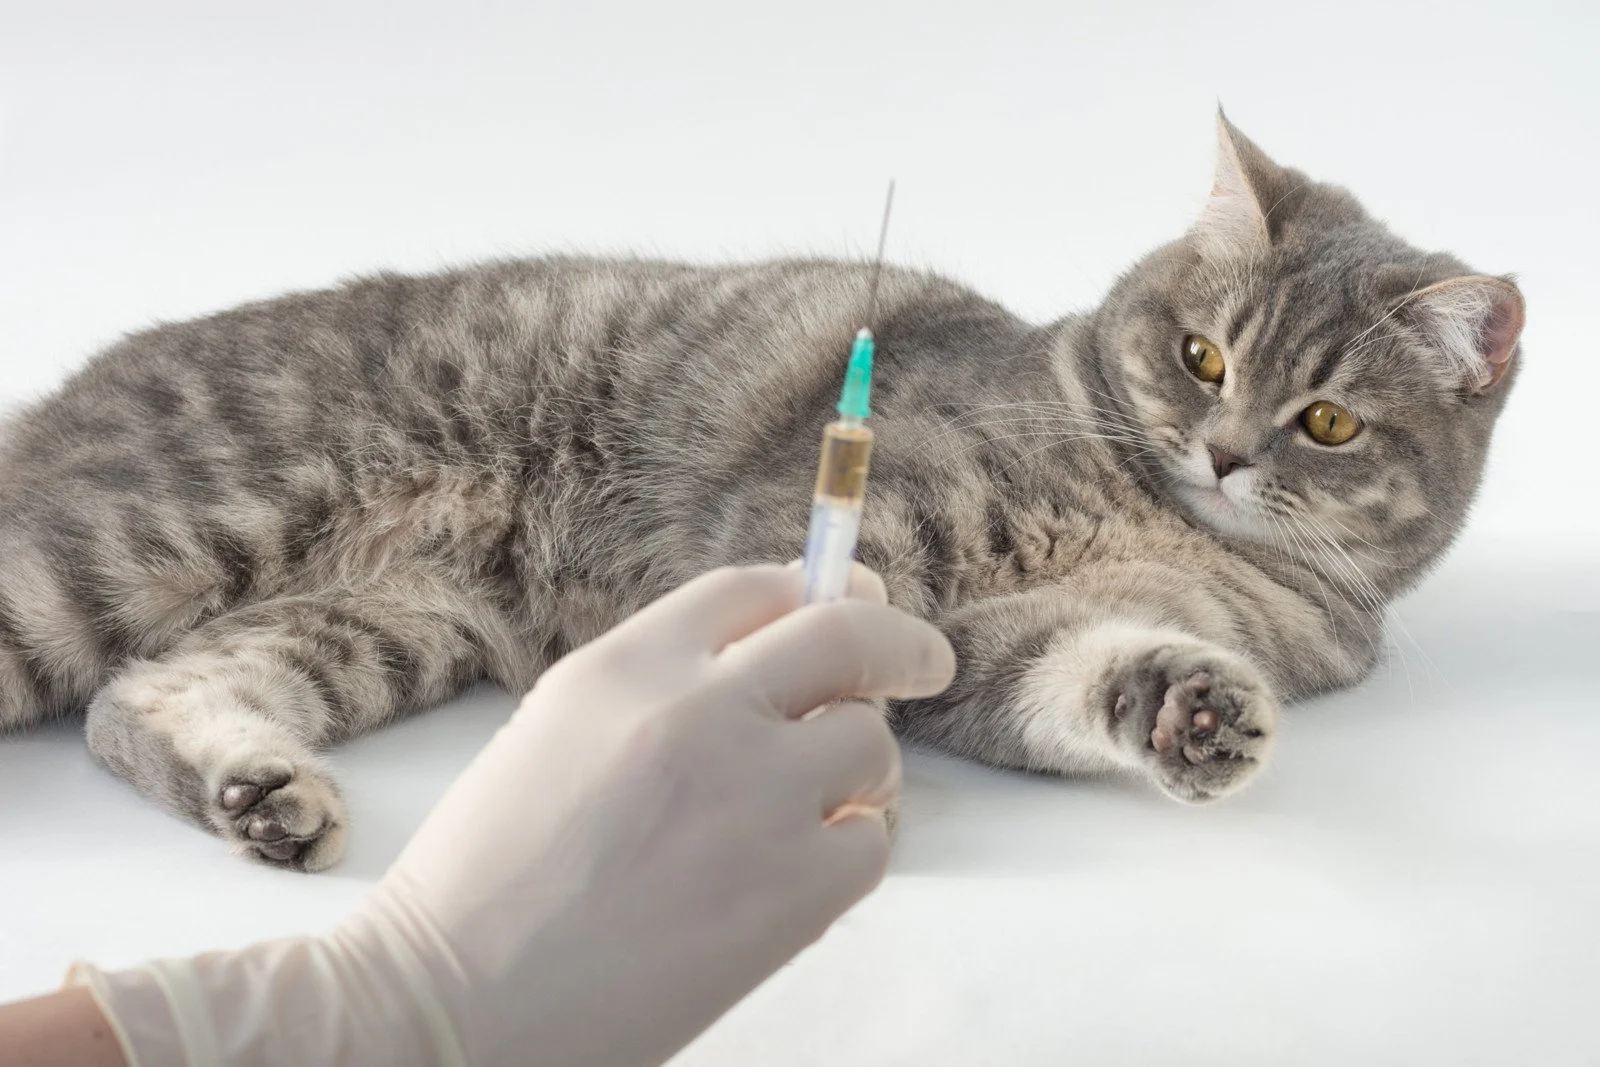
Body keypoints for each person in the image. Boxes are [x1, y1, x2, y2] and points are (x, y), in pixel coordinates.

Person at [0, 562, 955, 1067]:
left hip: (458, 584)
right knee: (50, 601)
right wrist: (390, 1011)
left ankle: (193, 707)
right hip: (434, 417)